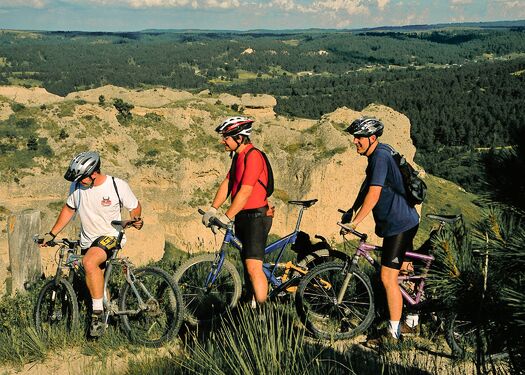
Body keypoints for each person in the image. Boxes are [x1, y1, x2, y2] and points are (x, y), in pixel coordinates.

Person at [41, 151, 143, 336]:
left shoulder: (116, 185)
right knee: (98, 281)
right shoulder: (76, 187)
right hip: (88, 240)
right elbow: (68, 209)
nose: (79, 182)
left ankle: (96, 315)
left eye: (82, 178)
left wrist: (135, 219)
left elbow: (135, 206)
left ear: (94, 173)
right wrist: (52, 233)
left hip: (111, 236)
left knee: (88, 263)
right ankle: (109, 319)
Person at [341, 117, 420, 343]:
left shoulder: (380, 157)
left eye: (359, 137)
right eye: (354, 137)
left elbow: (374, 195)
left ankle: (393, 334)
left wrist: (354, 223)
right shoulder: (378, 154)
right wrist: (352, 209)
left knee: (388, 278)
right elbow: (366, 187)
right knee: (404, 272)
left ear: (372, 138)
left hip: (399, 225)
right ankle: (413, 320)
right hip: (403, 221)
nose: (355, 141)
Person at [202, 116, 273, 306]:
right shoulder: (237, 158)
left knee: (253, 267)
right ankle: (250, 304)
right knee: (247, 265)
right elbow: (227, 184)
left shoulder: (253, 156)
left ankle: (263, 314)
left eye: (226, 137)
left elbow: (246, 191)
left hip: (256, 216)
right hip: (243, 216)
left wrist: (226, 217)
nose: (223, 141)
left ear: (239, 138)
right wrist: (213, 208)